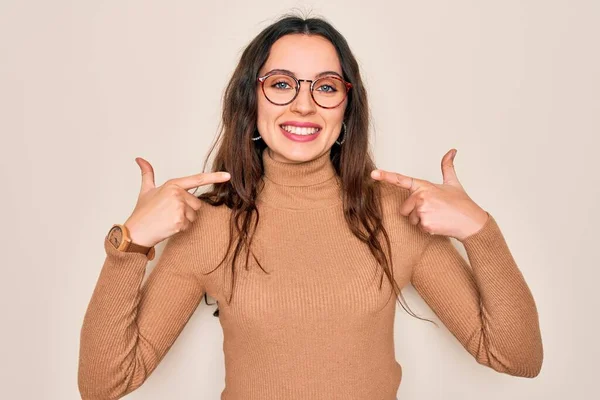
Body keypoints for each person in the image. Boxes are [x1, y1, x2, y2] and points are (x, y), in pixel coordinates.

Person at [78, 14, 543, 400]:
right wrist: (130, 243)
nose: (304, 105)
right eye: (281, 83)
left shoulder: (395, 214)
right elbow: (104, 384)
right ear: (251, 98)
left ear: (346, 106)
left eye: (325, 87)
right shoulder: (211, 223)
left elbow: (515, 356)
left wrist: (481, 231)